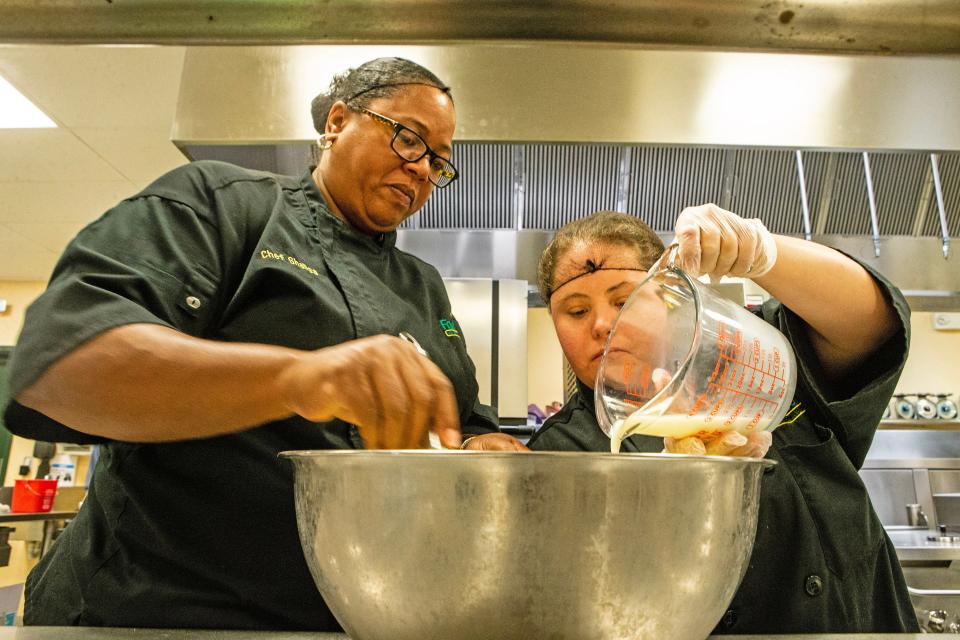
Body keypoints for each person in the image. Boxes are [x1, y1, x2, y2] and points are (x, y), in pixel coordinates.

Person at [1, 57, 500, 630]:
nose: (421, 170)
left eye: (438, 162)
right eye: (409, 139)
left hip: (353, 614)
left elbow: (462, 421)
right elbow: (59, 367)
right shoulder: (224, 203)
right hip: (157, 611)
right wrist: (301, 378)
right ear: (337, 121)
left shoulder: (423, 285)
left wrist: (484, 448)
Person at [524, 207, 919, 634]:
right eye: (576, 311)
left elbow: (872, 327)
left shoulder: (758, 362)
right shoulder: (558, 453)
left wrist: (760, 252)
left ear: (671, 297)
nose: (602, 324)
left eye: (623, 299)